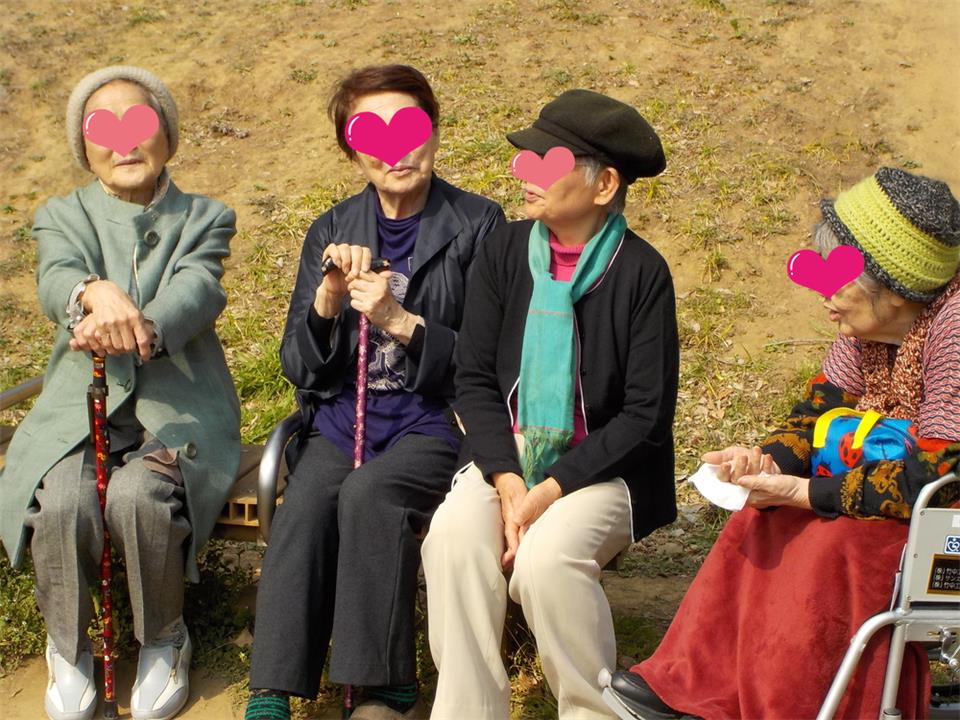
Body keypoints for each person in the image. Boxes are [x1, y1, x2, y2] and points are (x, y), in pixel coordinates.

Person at [608, 166, 960, 720]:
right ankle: (696, 687)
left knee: (832, 544)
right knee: (760, 515)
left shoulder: (953, 333)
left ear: (893, 287)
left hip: (939, 519)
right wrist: (766, 462)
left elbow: (938, 476)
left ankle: (788, 706)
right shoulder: (866, 335)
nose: (823, 294)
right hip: (883, 499)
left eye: (838, 277)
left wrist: (806, 493)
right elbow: (811, 419)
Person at [244, 64, 504, 720]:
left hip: (434, 423)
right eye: (372, 134)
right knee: (306, 506)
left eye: (410, 127)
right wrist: (328, 302)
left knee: (370, 494)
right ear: (352, 151)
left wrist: (399, 321)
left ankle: (385, 684)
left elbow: (488, 362)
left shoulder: (479, 224)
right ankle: (272, 687)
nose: (396, 150)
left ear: (434, 132)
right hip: (343, 422)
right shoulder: (331, 228)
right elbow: (300, 367)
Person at [421, 89, 680, 720]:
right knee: (453, 536)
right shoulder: (504, 251)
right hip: (507, 460)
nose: (526, 172)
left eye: (548, 160)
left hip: (605, 472)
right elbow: (474, 377)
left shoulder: (642, 273)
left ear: (604, 184)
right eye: (527, 158)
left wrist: (551, 489)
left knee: (547, 558)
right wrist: (509, 480)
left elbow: (644, 416)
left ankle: (593, 710)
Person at [0, 66, 241, 720]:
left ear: (167, 134)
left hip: (179, 410)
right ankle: (67, 645)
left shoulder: (205, 217)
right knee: (62, 504)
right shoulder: (62, 216)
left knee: (139, 497)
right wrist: (92, 292)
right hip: (81, 410)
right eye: (102, 128)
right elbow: (56, 277)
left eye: (140, 122)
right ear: (85, 147)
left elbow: (198, 288)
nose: (124, 142)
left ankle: (165, 637)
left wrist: (142, 326)